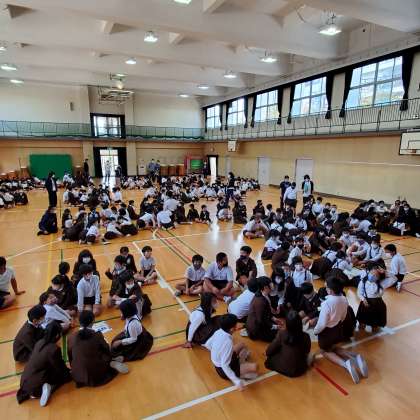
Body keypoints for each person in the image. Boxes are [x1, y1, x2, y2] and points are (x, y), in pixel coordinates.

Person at [313, 277, 368, 384]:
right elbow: (343, 316)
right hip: (338, 329)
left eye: (327, 287)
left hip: (327, 332)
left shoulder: (327, 303)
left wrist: (316, 331)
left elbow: (322, 324)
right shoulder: (343, 298)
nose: (326, 288)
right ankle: (354, 356)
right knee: (333, 347)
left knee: (325, 351)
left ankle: (345, 364)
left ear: (330, 290)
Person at [68, 310, 128, 388]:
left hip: (79, 374)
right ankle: (110, 362)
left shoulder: (71, 337)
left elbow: (70, 356)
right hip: (97, 372)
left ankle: (110, 361)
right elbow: (106, 349)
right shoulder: (97, 335)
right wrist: (109, 357)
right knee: (105, 350)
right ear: (93, 321)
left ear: (79, 322)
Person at [17, 322, 71, 406]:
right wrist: (69, 374)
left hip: (24, 382)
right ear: (57, 335)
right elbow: (60, 368)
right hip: (36, 385)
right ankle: (47, 389)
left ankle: (36, 393)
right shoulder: (53, 349)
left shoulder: (40, 342)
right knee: (62, 377)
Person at [204, 314, 258, 390]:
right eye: (236, 324)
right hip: (223, 370)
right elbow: (224, 365)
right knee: (255, 368)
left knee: (242, 345)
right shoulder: (227, 342)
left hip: (222, 362)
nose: (237, 325)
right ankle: (240, 371)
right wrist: (237, 381)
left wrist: (217, 351)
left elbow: (207, 344)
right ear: (232, 329)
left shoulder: (218, 331)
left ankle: (241, 364)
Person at [265, 310, 311, 377]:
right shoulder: (306, 336)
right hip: (299, 369)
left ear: (287, 323)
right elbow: (307, 351)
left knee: (270, 359)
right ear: (300, 323)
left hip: (285, 368)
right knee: (309, 356)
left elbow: (269, 351)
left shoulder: (282, 334)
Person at [246, 276, 280, 342]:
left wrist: (274, 319)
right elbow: (261, 321)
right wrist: (274, 326)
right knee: (278, 335)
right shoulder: (260, 301)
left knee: (276, 327)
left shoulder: (262, 294)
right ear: (265, 287)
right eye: (270, 284)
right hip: (256, 329)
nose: (272, 285)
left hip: (259, 321)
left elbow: (266, 312)